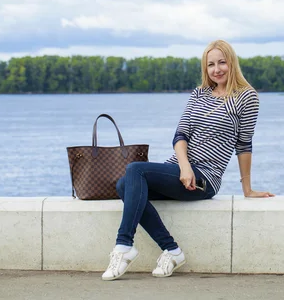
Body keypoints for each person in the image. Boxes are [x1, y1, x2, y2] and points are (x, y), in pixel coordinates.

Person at [101, 39, 274, 281]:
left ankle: (123, 245)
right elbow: (180, 135)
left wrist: (248, 189)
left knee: (135, 170)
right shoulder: (199, 93)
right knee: (124, 185)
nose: (217, 69)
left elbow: (244, 144)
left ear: (231, 62)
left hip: (205, 178)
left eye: (222, 62)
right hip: (180, 169)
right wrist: (184, 166)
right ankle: (172, 250)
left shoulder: (247, 97)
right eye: (211, 64)